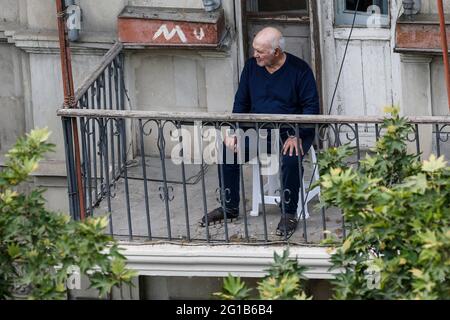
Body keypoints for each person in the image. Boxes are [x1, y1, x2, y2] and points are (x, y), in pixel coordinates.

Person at [200, 27, 320, 238]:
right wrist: (235, 131)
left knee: (291, 158)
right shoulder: (251, 67)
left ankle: (289, 213)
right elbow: (241, 102)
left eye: (260, 51)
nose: (255, 54)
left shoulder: (300, 70)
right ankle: (230, 208)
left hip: (291, 132)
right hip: (258, 132)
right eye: (255, 49)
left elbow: (311, 107)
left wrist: (298, 135)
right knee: (227, 151)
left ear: (276, 52)